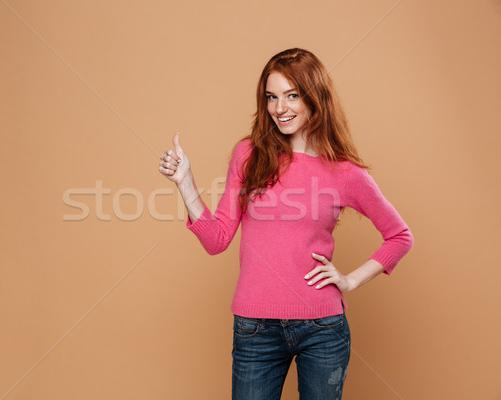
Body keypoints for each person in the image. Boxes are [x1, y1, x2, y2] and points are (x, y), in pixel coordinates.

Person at [157, 48, 414, 400]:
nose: (280, 108)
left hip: (323, 329)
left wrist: (349, 280)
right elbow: (217, 240)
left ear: (315, 98)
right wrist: (185, 182)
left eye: (292, 95)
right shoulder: (248, 154)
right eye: (272, 97)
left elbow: (399, 236)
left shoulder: (345, 173)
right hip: (255, 330)